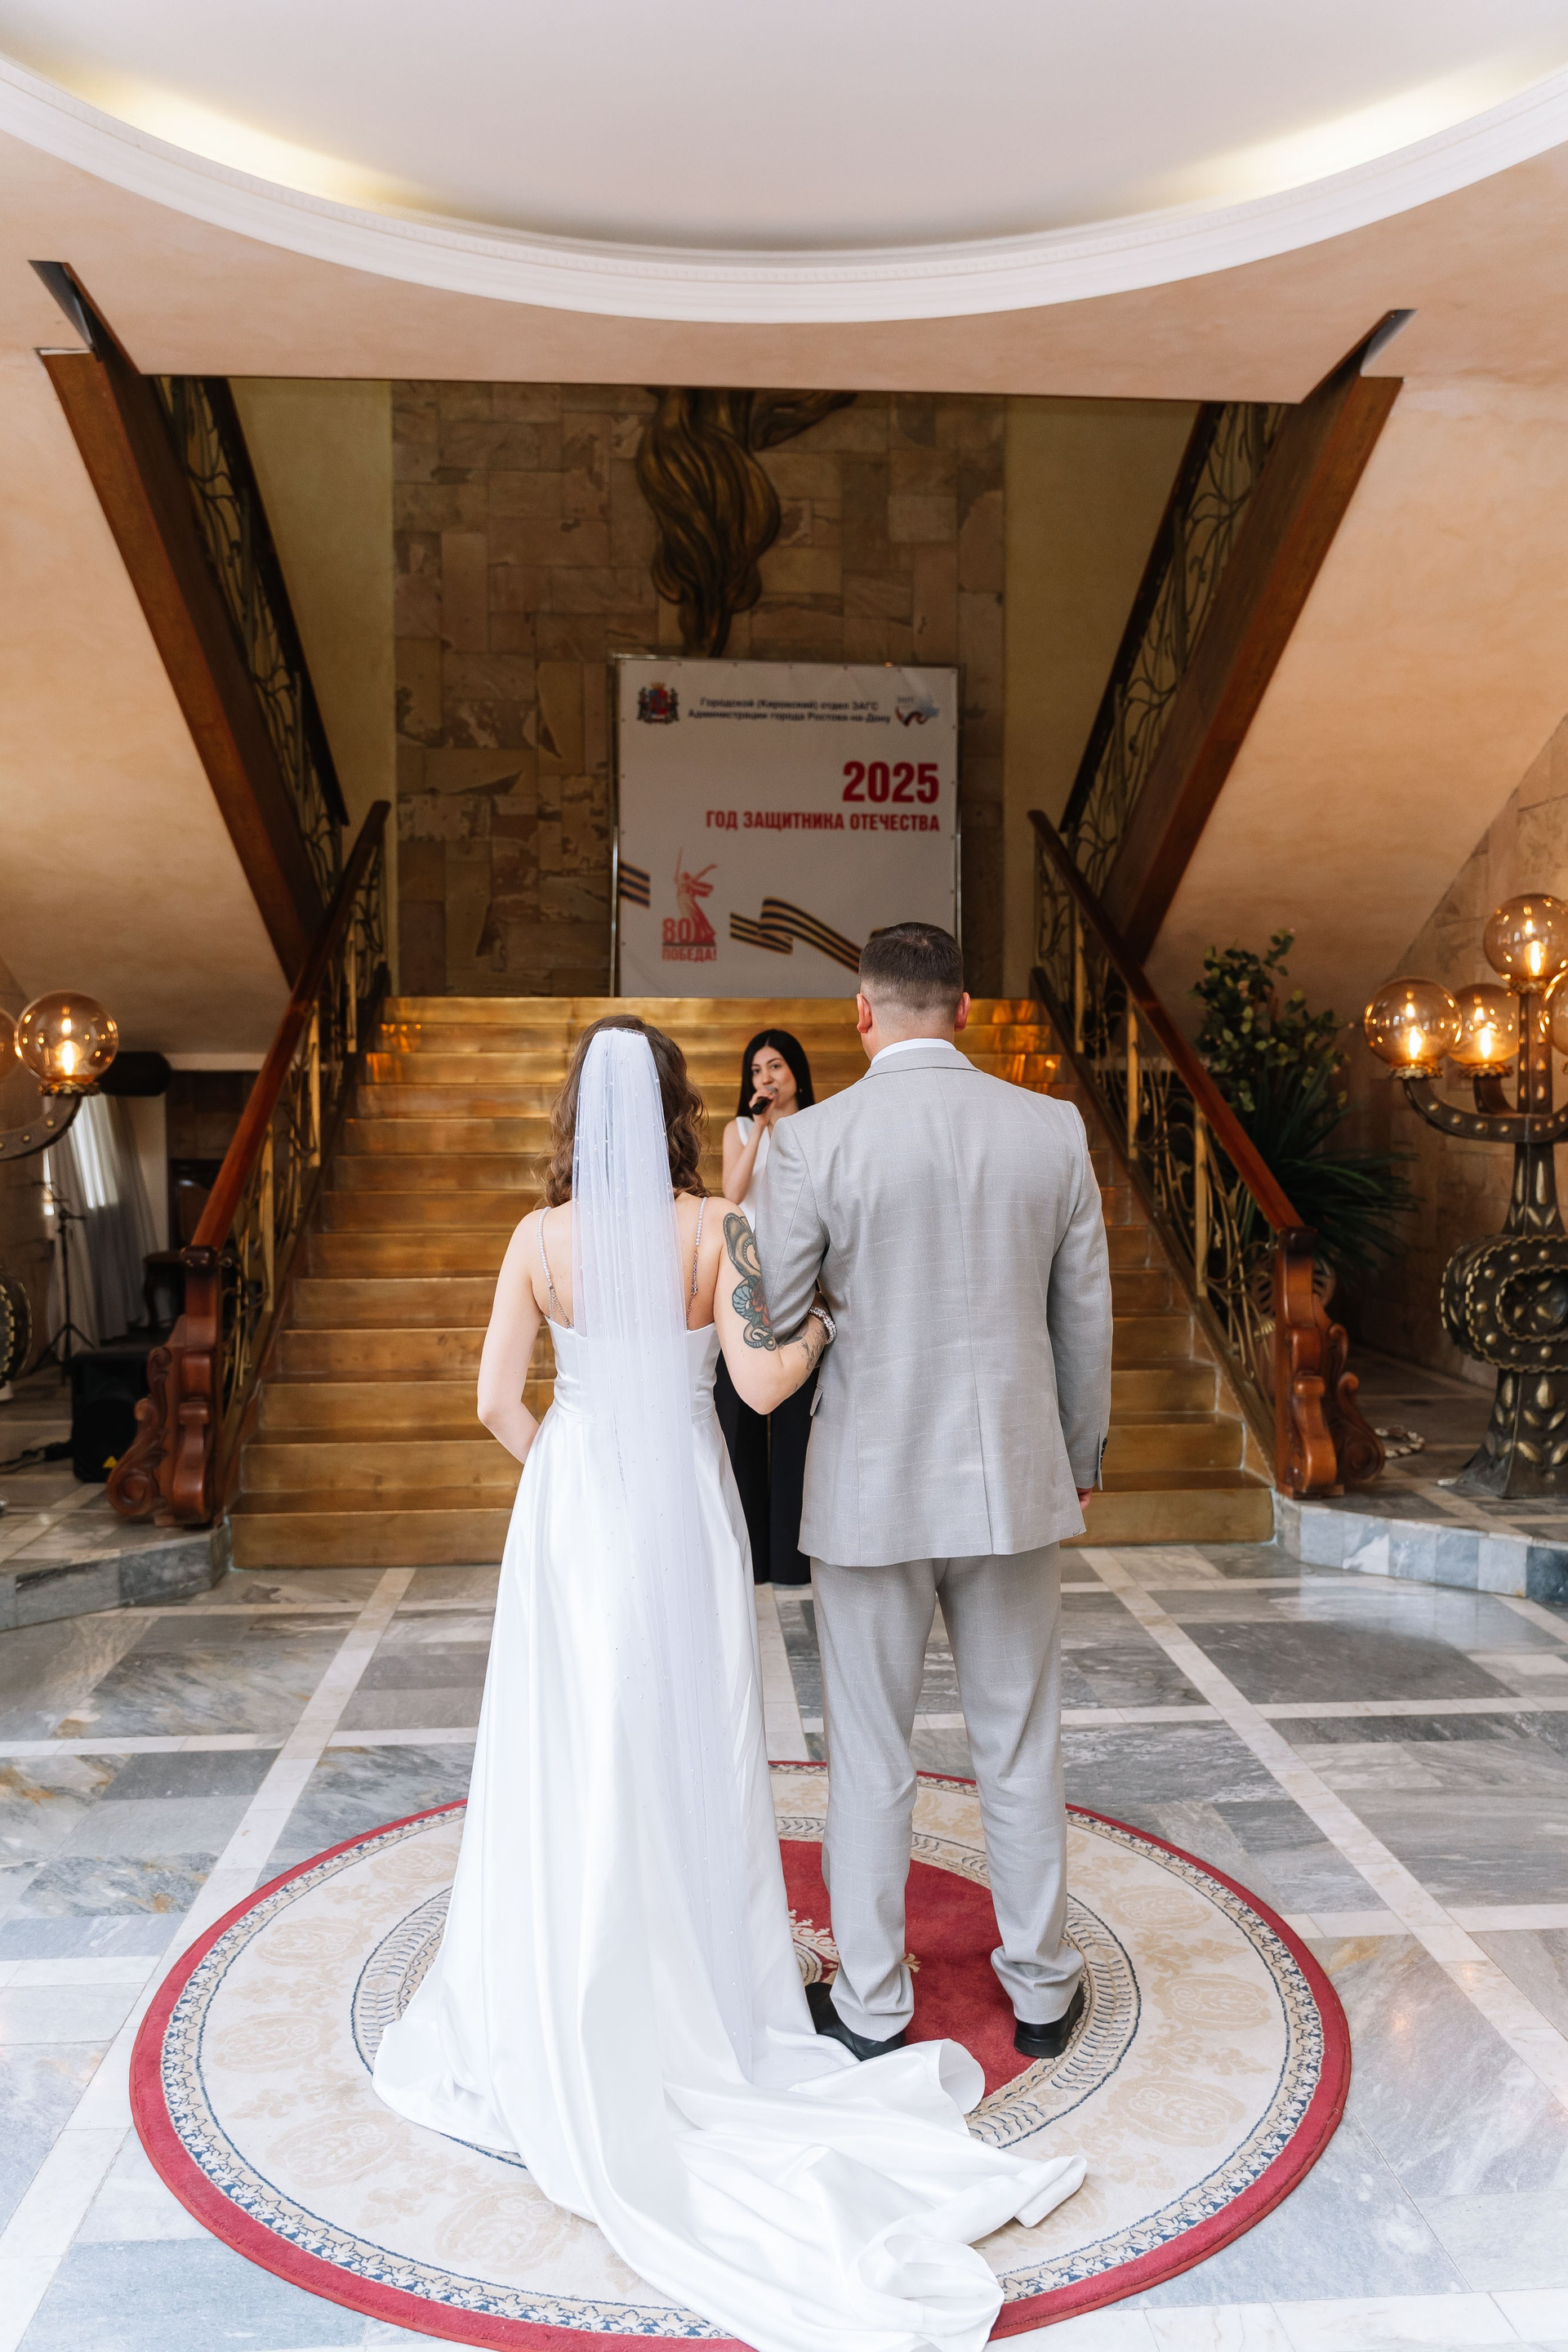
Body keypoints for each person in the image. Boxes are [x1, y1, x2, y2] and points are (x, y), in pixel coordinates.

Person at [373, 1015, 1084, 2352]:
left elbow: (494, 1403)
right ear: (678, 1112)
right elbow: (759, 1390)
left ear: (573, 1115)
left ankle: (579, 1941)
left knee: (576, 1739)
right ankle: (704, 1964)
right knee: (694, 1738)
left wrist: (570, 1469)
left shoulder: (536, 1242)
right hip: (687, 1514)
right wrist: (824, 1328)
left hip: (576, 1511)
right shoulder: (717, 1228)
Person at [754, 923, 1113, 2067]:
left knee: (870, 1757)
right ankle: (1043, 1991)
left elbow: (773, 1315)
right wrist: (1078, 1457)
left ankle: (871, 2005)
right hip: (1013, 1480)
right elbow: (1084, 1315)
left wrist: (824, 1308)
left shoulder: (812, 1142)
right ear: (966, 1010)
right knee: (1020, 1742)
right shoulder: (1050, 1129)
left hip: (869, 1490)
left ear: (863, 1013)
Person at [717, 1028, 817, 1584]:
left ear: (796, 1071)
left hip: (801, 1285)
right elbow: (731, 1196)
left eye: (775, 1066)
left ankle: (793, 1560)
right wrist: (759, 1129)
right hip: (745, 1289)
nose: (766, 1078)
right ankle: (751, 1558)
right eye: (756, 1071)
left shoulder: (818, 1126)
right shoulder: (738, 1129)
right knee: (742, 1425)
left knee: (798, 1428)